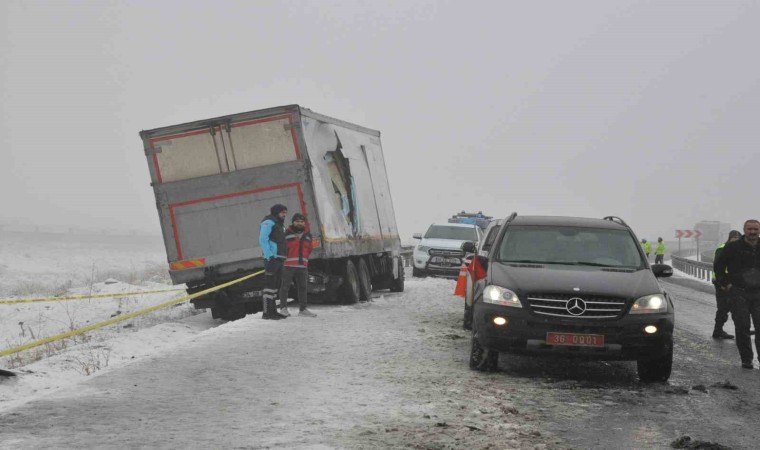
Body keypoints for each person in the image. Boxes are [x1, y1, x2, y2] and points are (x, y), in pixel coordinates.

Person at [714, 220, 760, 369]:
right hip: (738, 292)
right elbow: (719, 265)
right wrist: (724, 283)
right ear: (744, 230)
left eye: (755, 229)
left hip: (758, 293)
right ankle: (747, 360)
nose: (752, 232)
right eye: (750, 229)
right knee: (742, 326)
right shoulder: (732, 247)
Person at [278, 213, 317, 317]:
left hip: (302, 266)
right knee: (285, 287)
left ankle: (303, 310)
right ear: (293, 222)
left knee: (303, 287)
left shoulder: (308, 235)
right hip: (288, 266)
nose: (299, 223)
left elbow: (309, 249)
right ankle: (283, 308)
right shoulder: (286, 234)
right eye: (297, 221)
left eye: (301, 222)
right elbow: (281, 248)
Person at [259, 204, 289, 320]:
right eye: (283, 213)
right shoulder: (268, 222)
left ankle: (273, 311)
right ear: (276, 212)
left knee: (275, 286)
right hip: (272, 259)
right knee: (269, 286)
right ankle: (267, 312)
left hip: (279, 258)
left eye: (285, 213)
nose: (284, 215)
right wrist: (269, 256)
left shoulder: (279, 223)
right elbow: (263, 239)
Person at [711, 230, 742, 339]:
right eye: (735, 238)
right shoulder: (722, 249)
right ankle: (717, 331)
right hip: (722, 283)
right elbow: (718, 267)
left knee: (737, 308)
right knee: (723, 308)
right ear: (730, 238)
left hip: (733, 283)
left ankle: (741, 331)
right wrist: (723, 283)